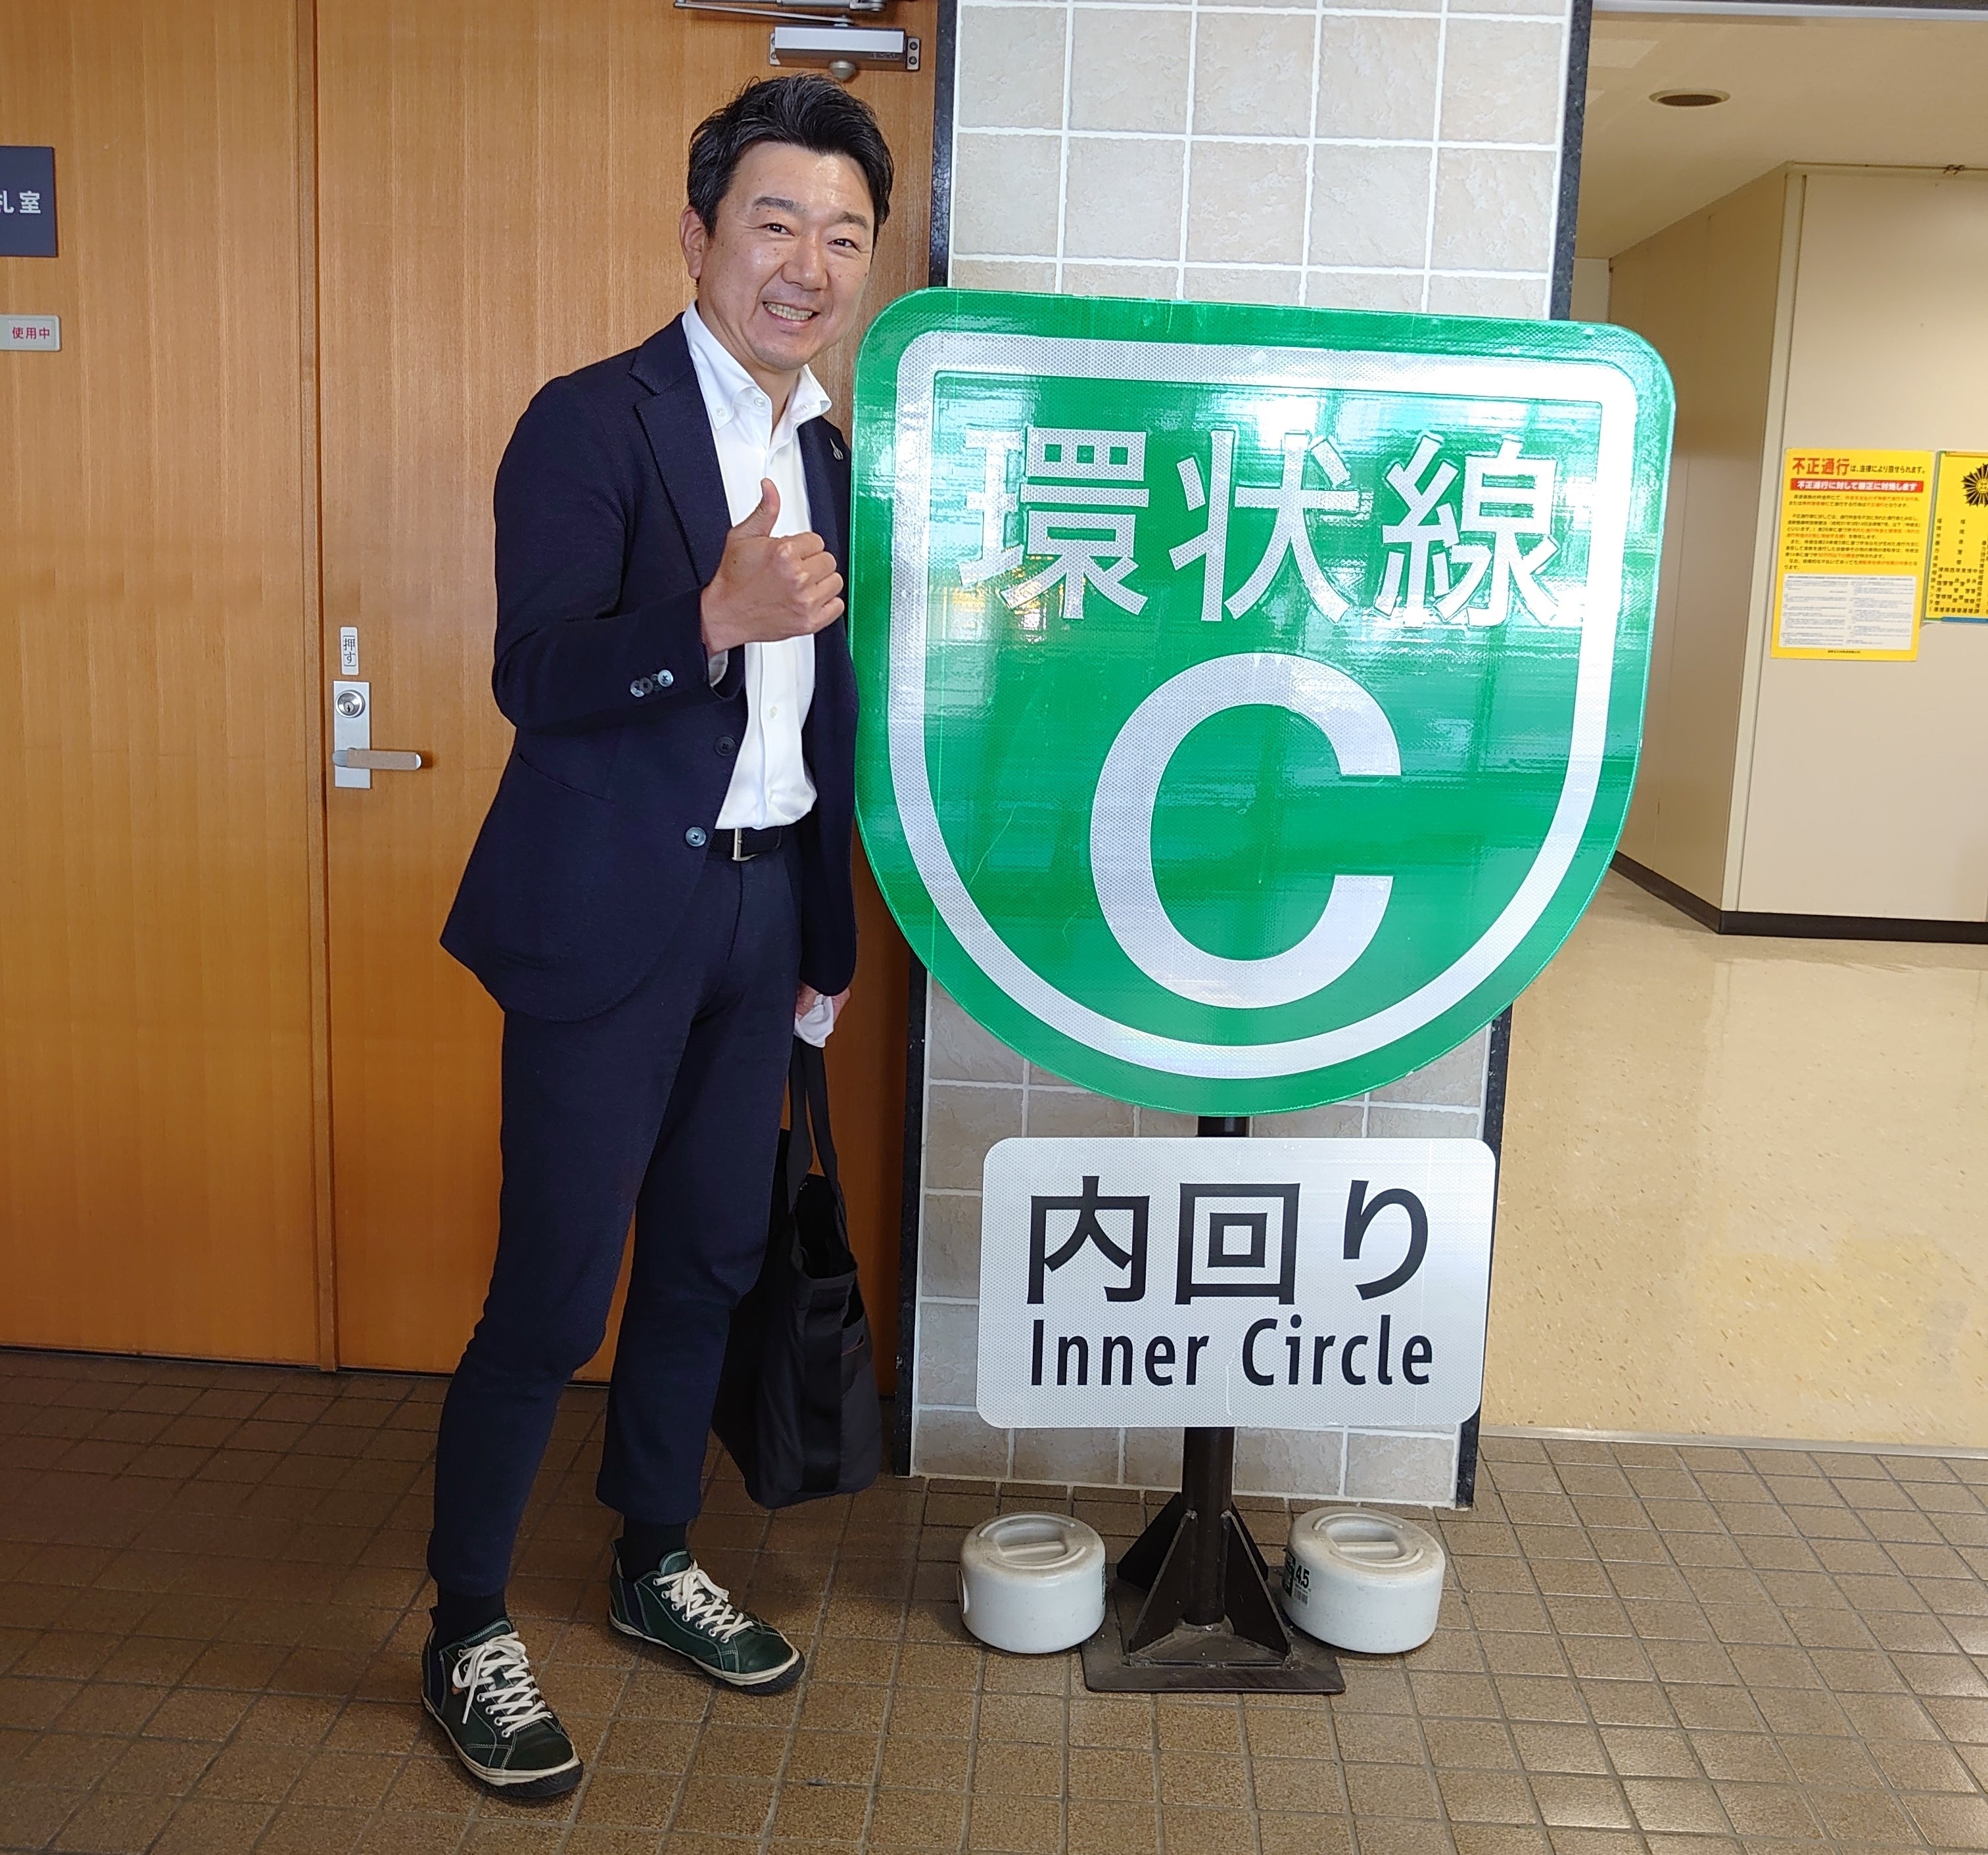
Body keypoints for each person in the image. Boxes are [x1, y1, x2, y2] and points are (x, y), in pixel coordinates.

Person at [419, 74, 891, 1797]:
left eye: (844, 235)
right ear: (698, 237)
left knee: (707, 1259)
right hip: (610, 916)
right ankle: (468, 1624)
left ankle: (650, 1556)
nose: (809, 264)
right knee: (554, 1290)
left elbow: (823, 715)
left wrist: (823, 933)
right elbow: (533, 674)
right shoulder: (589, 422)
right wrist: (708, 616)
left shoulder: (828, 448)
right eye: (776, 222)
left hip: (760, 913)